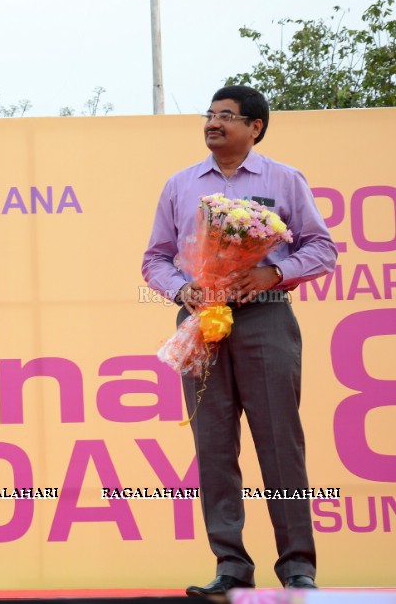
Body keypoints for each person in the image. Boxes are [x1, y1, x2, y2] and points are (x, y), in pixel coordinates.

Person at [141, 85, 337, 599]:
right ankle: (230, 564)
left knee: (280, 444)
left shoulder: (284, 179)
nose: (212, 123)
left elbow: (322, 249)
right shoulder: (180, 185)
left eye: (226, 116)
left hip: (265, 320)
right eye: (209, 115)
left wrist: (274, 274)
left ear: (255, 127)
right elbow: (154, 259)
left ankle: (298, 567)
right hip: (201, 322)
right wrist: (183, 288)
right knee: (213, 446)